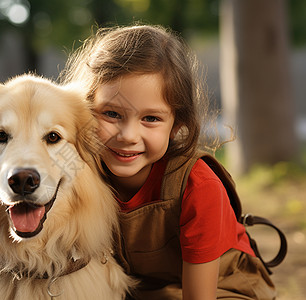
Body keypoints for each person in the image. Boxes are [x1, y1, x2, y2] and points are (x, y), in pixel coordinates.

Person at [60, 24, 276, 299]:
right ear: (85, 110)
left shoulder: (198, 186)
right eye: (111, 113)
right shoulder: (75, 165)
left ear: (176, 126)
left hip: (225, 288)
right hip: (141, 291)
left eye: (150, 118)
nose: (128, 136)